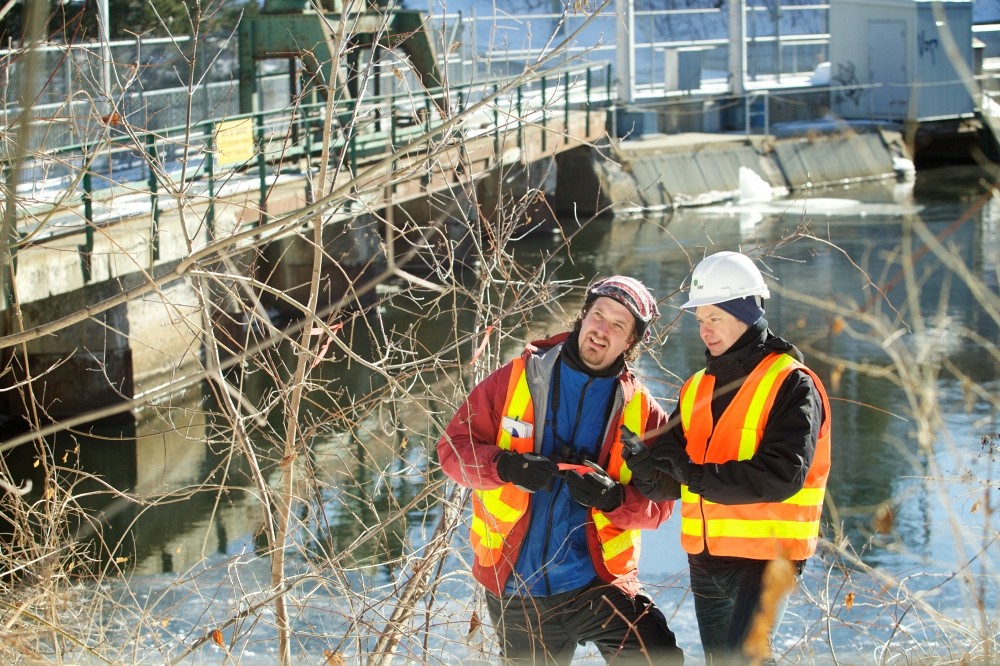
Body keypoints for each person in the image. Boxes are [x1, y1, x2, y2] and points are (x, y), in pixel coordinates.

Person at [437, 275, 684, 665]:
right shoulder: (516, 378)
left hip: (597, 584)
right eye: (598, 316)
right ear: (582, 317)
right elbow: (452, 450)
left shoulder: (643, 412)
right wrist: (506, 465)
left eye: (618, 325)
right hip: (518, 590)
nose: (602, 330)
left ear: (631, 342)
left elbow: (661, 505)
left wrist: (614, 498)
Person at [623, 251, 832, 665]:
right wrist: (645, 466)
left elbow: (782, 474)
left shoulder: (793, 384)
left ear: (745, 313)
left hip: (767, 559)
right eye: (699, 320)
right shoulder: (696, 387)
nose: (704, 330)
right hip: (705, 559)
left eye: (713, 318)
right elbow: (674, 476)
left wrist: (693, 476)